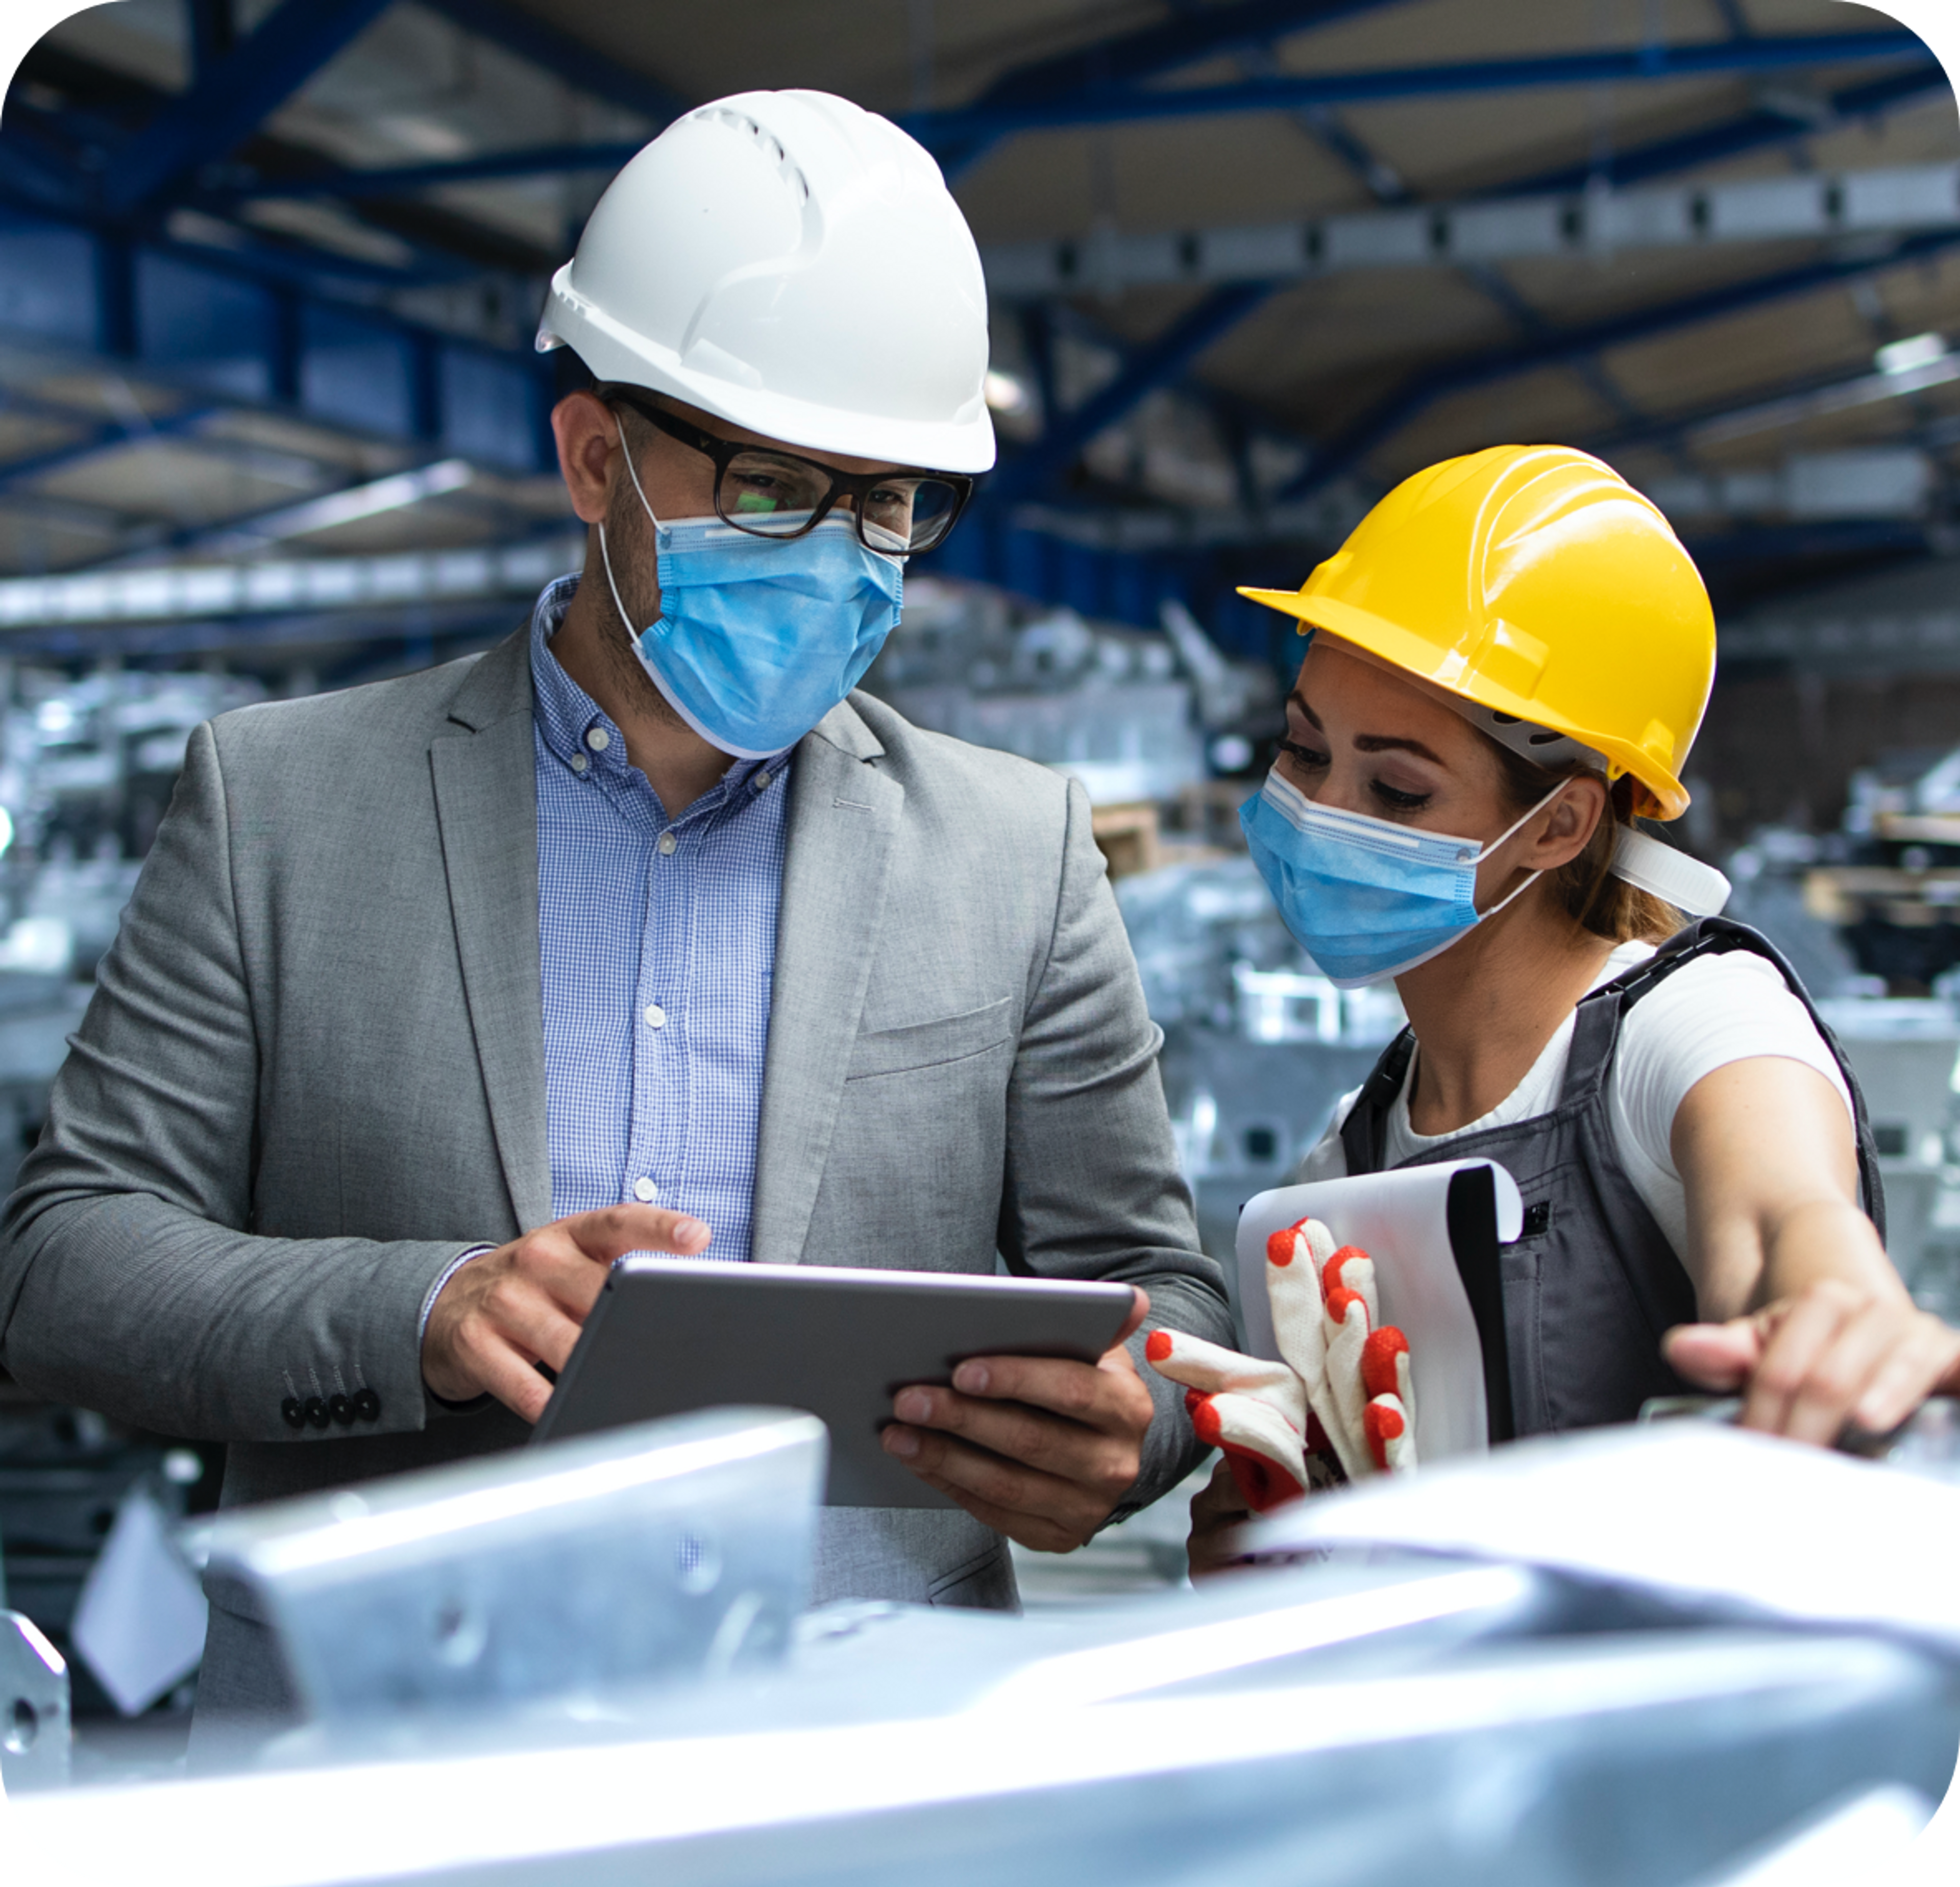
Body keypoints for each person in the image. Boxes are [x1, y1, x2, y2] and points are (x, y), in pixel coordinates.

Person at [0, 91, 1231, 1721]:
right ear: (597, 460)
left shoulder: (1015, 853)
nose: (851, 560)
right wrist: (427, 1310)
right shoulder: (279, 805)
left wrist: (1129, 1431)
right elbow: (65, 1269)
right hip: (381, 1760)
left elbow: (1166, 1295)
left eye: (893, 508)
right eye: (785, 493)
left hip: (860, 1755)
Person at [1173, 445, 1960, 1571]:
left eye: (1396, 787)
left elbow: (1787, 1214)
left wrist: (1839, 1311)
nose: (1318, 812)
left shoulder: (1694, 1028)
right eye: (1303, 751)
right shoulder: (1341, 1164)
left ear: (1558, 825)